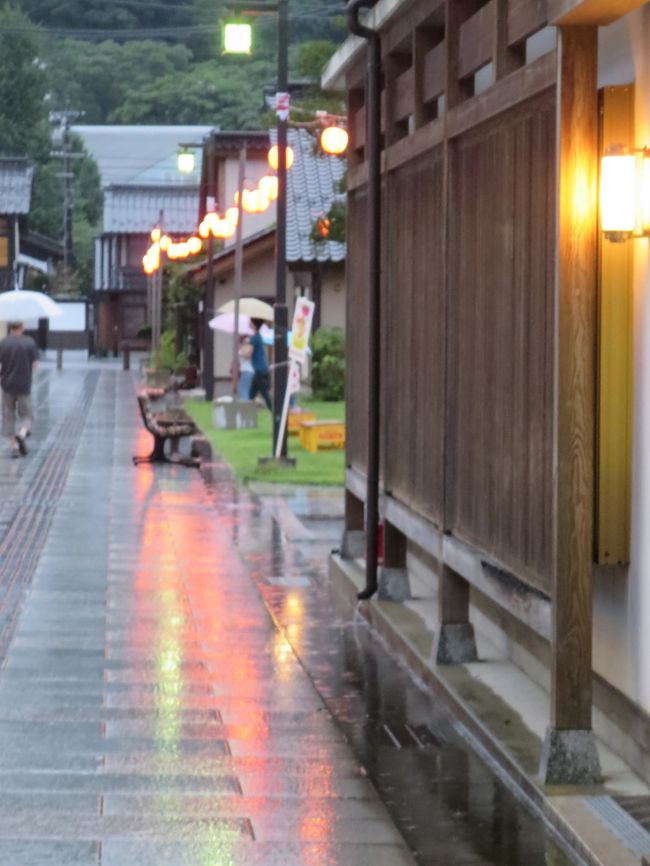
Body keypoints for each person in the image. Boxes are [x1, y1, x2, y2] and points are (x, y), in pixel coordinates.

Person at [0, 321, 38, 458]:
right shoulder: (30, 342)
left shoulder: (3, 343)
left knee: (8, 415)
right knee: (27, 415)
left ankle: (14, 447)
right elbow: (35, 365)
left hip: (7, 385)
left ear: (10, 327)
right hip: (24, 385)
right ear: (21, 327)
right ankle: (21, 435)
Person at [248, 318, 272, 410]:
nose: (249, 324)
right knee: (252, 394)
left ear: (254, 325)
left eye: (251, 322)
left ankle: (275, 412)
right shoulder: (258, 337)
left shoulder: (254, 337)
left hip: (259, 370)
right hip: (261, 369)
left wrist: (241, 350)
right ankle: (251, 412)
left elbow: (248, 353)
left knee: (264, 394)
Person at [238, 335, 254, 400]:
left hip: (247, 371)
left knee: (244, 390)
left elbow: (247, 355)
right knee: (245, 389)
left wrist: (242, 347)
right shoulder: (243, 348)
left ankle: (245, 405)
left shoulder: (247, 348)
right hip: (246, 371)